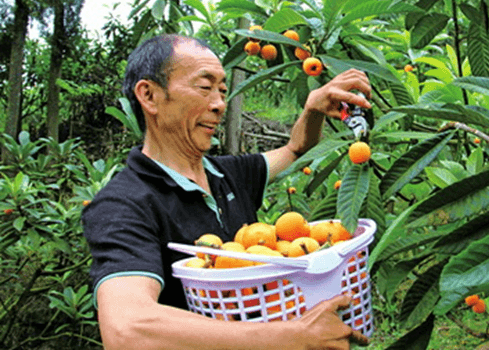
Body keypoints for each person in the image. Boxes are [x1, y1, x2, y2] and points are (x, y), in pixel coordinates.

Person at [81, 34, 372, 350]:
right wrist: (292, 337)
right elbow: (127, 329)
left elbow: (295, 148)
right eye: (204, 87)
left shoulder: (229, 173)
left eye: (222, 90)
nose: (219, 104)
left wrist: (313, 108)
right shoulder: (122, 203)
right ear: (149, 95)